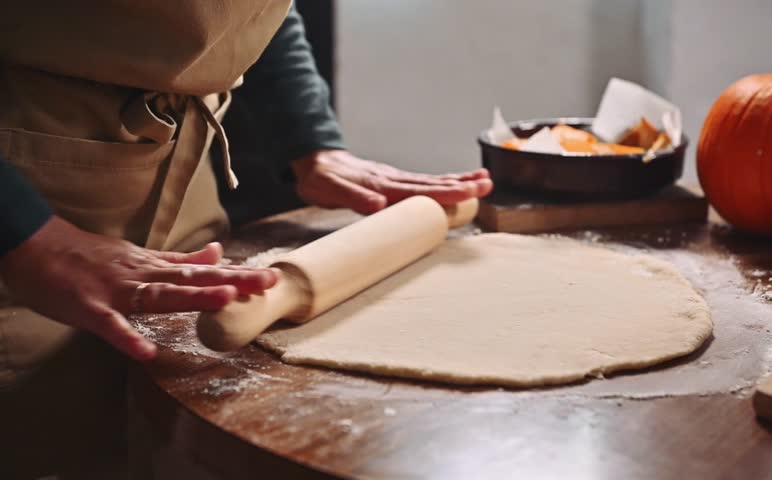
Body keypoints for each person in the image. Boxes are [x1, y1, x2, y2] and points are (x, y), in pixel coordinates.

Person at [0, 3, 492, 477]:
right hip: (28, 176)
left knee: (170, 423)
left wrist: (310, 141)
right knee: (41, 431)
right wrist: (25, 232)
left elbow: (249, 11)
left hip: (180, 167)